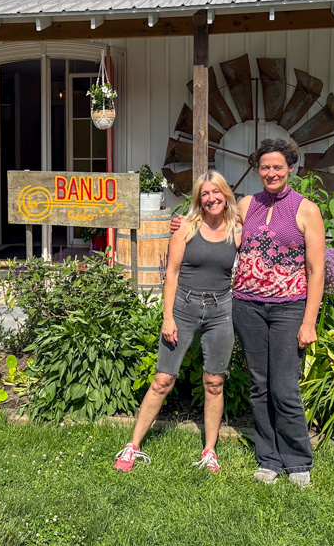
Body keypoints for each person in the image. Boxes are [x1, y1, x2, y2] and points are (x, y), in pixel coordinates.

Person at [114, 170, 242, 473]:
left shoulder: (237, 229)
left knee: (214, 382)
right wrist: (167, 317)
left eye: (216, 192)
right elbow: (170, 273)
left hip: (221, 309)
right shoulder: (185, 227)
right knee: (163, 379)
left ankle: (209, 451)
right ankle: (132, 446)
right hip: (184, 307)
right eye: (205, 194)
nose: (211, 198)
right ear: (199, 198)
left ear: (225, 195)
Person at [231, 138, 325, 486]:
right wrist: (184, 227)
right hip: (247, 306)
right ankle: (268, 459)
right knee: (259, 385)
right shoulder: (245, 205)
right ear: (258, 170)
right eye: (265, 167)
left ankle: (298, 461)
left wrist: (309, 322)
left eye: (278, 167)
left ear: (290, 169)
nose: (271, 173)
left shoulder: (306, 209)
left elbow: (316, 270)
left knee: (284, 386)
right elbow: (217, 229)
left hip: (288, 308)